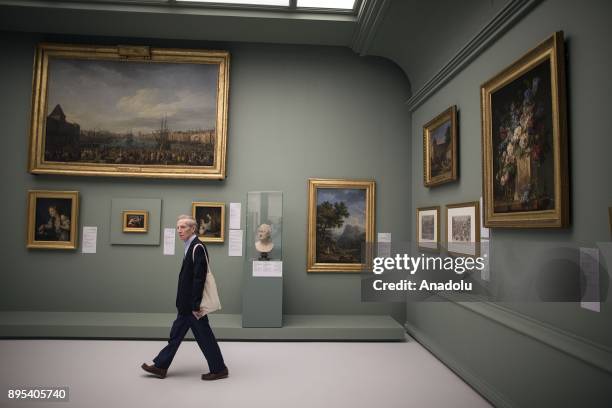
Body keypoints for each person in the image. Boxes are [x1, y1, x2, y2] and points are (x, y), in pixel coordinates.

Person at [141, 214, 228, 380]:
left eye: (183, 227)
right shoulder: (190, 245)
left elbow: (199, 278)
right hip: (186, 305)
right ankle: (161, 366)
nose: (179, 230)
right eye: (178, 227)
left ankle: (219, 369)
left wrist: (195, 305)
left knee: (203, 337)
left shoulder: (197, 247)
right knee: (178, 335)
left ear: (192, 228)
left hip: (191, 306)